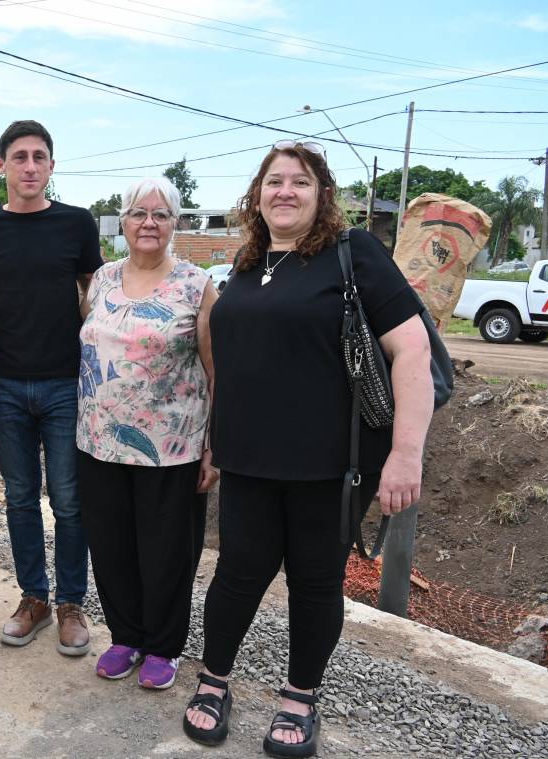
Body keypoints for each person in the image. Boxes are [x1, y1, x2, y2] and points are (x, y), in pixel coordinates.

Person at [182, 141, 433, 757]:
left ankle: (299, 697)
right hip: (247, 460)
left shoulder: (355, 256)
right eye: (274, 181)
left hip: (332, 466)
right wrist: (216, 440)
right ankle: (214, 680)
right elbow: (235, 366)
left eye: (300, 181)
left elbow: (414, 352)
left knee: (315, 583)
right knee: (237, 575)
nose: (285, 191)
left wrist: (406, 454)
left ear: (322, 195)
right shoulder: (246, 263)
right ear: (257, 195)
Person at [0, 120, 103, 656]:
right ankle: (34, 599)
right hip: (3, 384)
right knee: (20, 499)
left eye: (38, 157)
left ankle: (71, 603)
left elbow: (94, 295)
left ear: (51, 165)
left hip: (65, 384)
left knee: (69, 502)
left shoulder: (76, 224)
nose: (28, 166)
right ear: (1, 165)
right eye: (18, 157)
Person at [77, 177, 218, 690]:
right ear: (124, 220)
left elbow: (215, 369)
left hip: (171, 448)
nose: (149, 223)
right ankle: (125, 636)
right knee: (112, 547)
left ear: (175, 223)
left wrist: (213, 447)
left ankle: (163, 646)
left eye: (161, 214)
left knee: (166, 552)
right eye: (139, 213)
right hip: (97, 442)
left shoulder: (196, 285)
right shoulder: (103, 279)